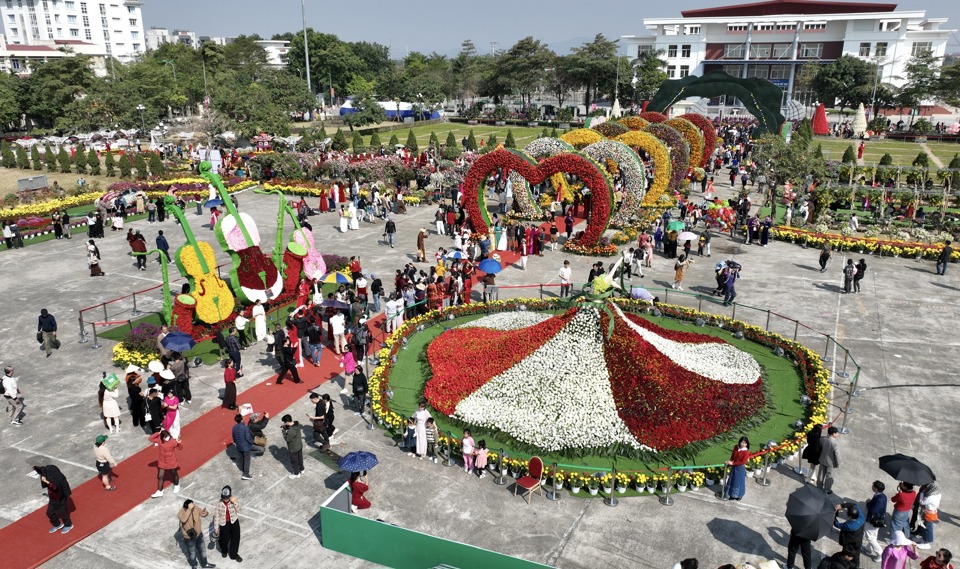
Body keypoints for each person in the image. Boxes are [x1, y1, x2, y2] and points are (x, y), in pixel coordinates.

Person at [178, 499, 216, 569]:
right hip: (189, 537)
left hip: (198, 534)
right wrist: (189, 509)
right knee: (192, 553)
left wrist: (205, 513)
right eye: (192, 506)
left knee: (202, 550)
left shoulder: (195, 508)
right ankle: (194, 566)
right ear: (186, 507)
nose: (194, 506)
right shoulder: (181, 513)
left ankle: (205, 564)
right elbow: (183, 519)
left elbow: (201, 512)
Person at [36, 464, 73, 534]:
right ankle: (57, 524)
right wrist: (36, 468)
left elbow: (55, 487)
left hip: (60, 498)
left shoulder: (57, 480)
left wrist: (47, 481)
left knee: (63, 513)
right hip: (53, 499)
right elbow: (42, 470)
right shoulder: (50, 477)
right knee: (49, 512)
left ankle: (69, 525)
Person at [148, 430, 182, 498]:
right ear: (162, 437)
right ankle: (160, 491)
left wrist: (179, 443)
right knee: (160, 476)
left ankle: (177, 485)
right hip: (162, 462)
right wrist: (158, 433)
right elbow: (150, 438)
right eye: (166, 437)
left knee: (174, 474)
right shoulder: (159, 441)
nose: (167, 438)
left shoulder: (172, 441)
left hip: (171, 461)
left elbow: (180, 448)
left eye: (168, 436)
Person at [214, 486, 242, 563]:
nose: (225, 499)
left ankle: (234, 555)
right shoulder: (219, 504)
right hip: (224, 523)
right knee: (223, 539)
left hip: (234, 522)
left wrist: (235, 502)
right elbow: (216, 515)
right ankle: (224, 550)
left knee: (235, 538)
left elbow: (239, 510)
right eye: (224, 497)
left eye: (227, 497)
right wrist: (216, 527)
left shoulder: (233, 501)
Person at [834, 502, 866, 568]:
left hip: (849, 544)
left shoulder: (849, 526)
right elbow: (854, 505)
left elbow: (836, 524)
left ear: (850, 516)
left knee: (846, 557)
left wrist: (834, 514)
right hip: (858, 542)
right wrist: (841, 505)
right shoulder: (861, 517)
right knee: (856, 557)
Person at [865, 481, 889, 562]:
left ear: (876, 488)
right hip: (878, 520)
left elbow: (873, 510)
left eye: (873, 486)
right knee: (873, 535)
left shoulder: (879, 499)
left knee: (869, 536)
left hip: (873, 520)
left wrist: (868, 503)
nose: (872, 486)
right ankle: (868, 548)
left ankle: (880, 553)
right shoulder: (882, 496)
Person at [914, 478, 942, 549]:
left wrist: (922, 493)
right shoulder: (937, 493)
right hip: (928, 512)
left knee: (927, 528)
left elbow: (922, 502)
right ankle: (923, 539)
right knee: (924, 527)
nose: (927, 487)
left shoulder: (932, 496)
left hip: (928, 514)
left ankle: (927, 543)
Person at [723, 436, 751, 500]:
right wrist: (730, 461)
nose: (743, 444)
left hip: (740, 469)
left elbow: (742, 462)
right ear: (740, 442)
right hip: (734, 467)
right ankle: (730, 494)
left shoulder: (746, 452)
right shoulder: (736, 447)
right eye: (742, 442)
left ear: (746, 444)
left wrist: (732, 463)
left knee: (739, 482)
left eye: (745, 443)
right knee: (731, 481)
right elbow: (733, 455)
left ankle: (739, 495)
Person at [817, 426, 840, 493]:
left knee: (821, 473)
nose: (837, 434)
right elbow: (836, 454)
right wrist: (837, 463)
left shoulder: (822, 439)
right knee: (829, 475)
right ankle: (827, 489)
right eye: (837, 433)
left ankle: (819, 486)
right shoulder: (835, 443)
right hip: (830, 462)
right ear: (833, 434)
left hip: (822, 459)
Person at [231, 414, 254, 480]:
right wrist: (251, 442)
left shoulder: (234, 427)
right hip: (246, 447)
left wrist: (236, 443)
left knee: (242, 458)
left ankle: (242, 469)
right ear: (241, 419)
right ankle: (245, 474)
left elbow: (234, 437)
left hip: (239, 446)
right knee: (247, 460)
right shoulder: (245, 427)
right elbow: (248, 438)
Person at [281, 414, 304, 479]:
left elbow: (287, 439)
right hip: (299, 445)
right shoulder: (297, 424)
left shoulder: (291, 430)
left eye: (285, 422)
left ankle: (296, 473)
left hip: (293, 448)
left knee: (294, 461)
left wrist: (283, 431)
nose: (284, 423)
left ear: (287, 422)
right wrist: (287, 427)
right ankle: (302, 469)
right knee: (300, 458)